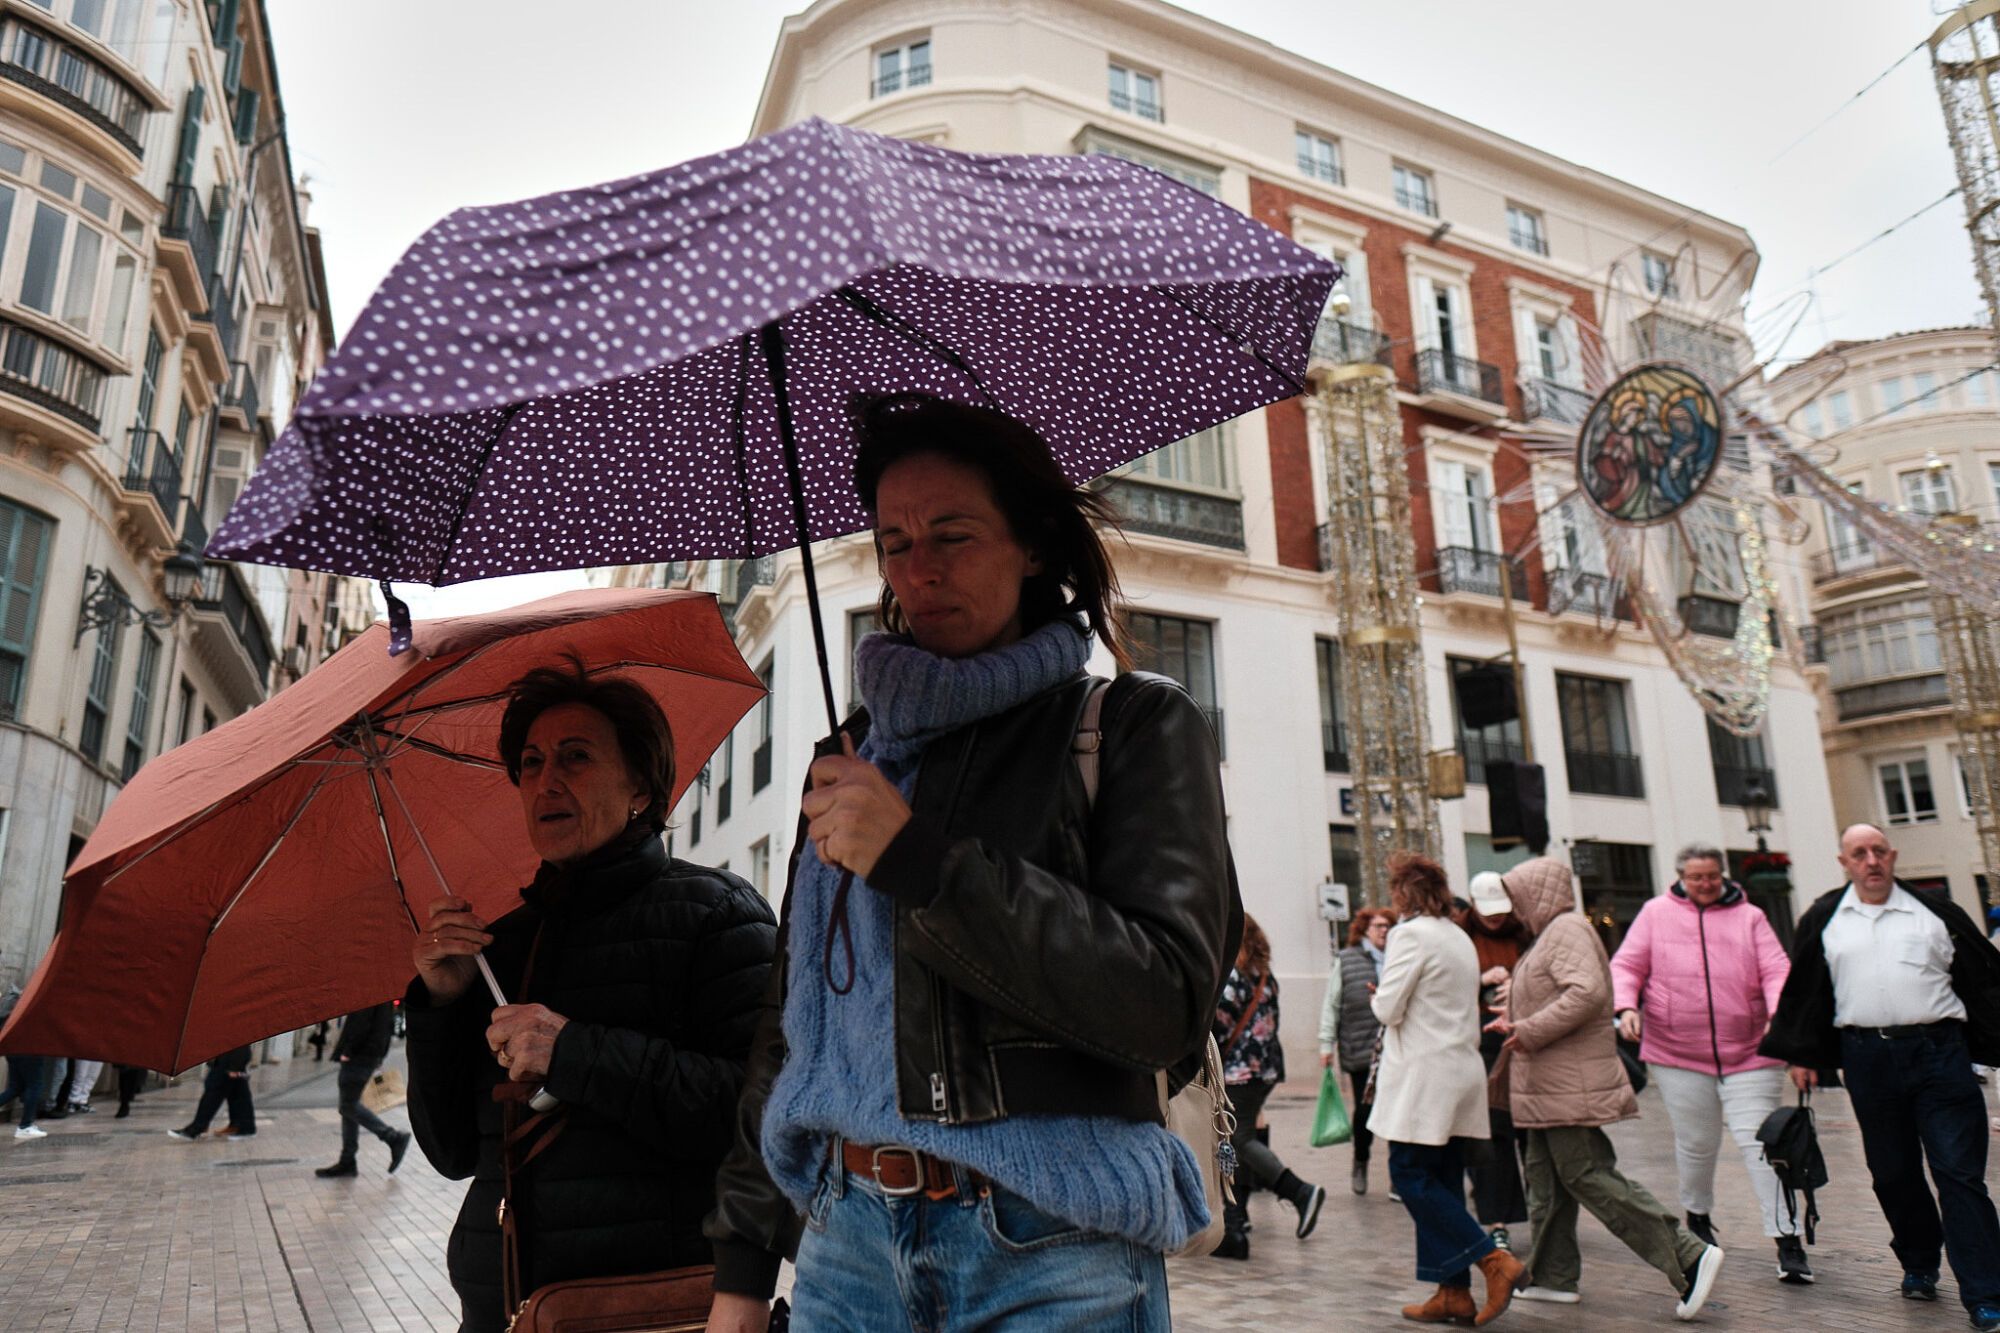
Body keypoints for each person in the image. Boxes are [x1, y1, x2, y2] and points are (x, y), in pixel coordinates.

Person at [703, 395, 1240, 1333]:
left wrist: (921, 861)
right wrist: (745, 1267)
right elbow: (792, 1031)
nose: (919, 570)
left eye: (952, 534)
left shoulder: (1132, 727)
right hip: (844, 1246)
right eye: (894, 540)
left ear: (1031, 543)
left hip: (1049, 1252)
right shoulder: (853, 754)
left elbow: (1165, 1002)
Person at [405, 658, 777, 1333]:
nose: (546, 780)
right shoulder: (501, 947)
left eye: (575, 757)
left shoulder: (719, 914)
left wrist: (574, 1050)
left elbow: (758, 1114)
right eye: (531, 762)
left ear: (639, 784)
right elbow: (451, 1150)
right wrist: (439, 1004)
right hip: (502, 1309)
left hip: (647, 1311)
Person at [1761, 823, 2000, 1330]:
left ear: (1892, 857)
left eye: (1878, 851)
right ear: (1844, 862)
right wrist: (1802, 1054)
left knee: (1959, 1174)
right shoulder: (1826, 918)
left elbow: (1981, 976)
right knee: (1893, 1172)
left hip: (1940, 1053)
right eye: (1859, 853)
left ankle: (1985, 1291)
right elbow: (1805, 989)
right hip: (1867, 1058)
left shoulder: (1934, 912)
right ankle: (1919, 1262)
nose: (1871, 860)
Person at [1492, 857, 1723, 1320]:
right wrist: (1517, 1018)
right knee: (1546, 1180)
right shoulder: (1550, 935)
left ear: (1535, 894)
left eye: (1517, 897)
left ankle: (1688, 1255)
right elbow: (1564, 992)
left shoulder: (1566, 930)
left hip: (1564, 1082)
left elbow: (1587, 993)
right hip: (1546, 1084)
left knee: (1586, 1173)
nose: (1514, 909)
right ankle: (1552, 1277)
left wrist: (1531, 1029)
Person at [1610, 841, 1804, 1283]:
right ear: (1680, 877)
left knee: (1762, 1146)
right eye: (1696, 878)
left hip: (1751, 1051)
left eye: (1712, 877)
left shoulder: (1750, 917)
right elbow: (1626, 965)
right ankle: (1697, 1217)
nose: (1705, 885)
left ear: (1724, 875)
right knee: (1697, 1142)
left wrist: (1780, 1012)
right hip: (1678, 1053)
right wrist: (1626, 1006)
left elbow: (1776, 968)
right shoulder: (1656, 914)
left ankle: (1787, 1239)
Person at [1371, 851, 1523, 1326]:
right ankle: (1452, 1292)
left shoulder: (1408, 934)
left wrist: (1378, 996)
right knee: (1445, 1179)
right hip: (1460, 1071)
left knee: (1409, 1173)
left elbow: (1388, 1009)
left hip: (1424, 1074)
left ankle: (1491, 1260)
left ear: (1402, 893)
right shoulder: (1457, 935)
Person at [1212, 914, 1325, 1260]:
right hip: (1264, 1071)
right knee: (1235, 1139)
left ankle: (1299, 1191)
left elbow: (1217, 1029)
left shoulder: (1232, 977)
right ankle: (1235, 1219)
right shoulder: (1264, 976)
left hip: (1238, 1073)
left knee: (1236, 1140)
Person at [1458, 871, 1532, 1252]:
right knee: (1491, 1133)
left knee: (1530, 1131)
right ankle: (1496, 1219)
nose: (1495, 918)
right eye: (1488, 911)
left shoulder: (1525, 934)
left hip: (1524, 1040)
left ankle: (1539, 1209)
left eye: (1500, 911)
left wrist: (1518, 985)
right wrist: (1479, 979)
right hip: (1482, 1044)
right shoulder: (1460, 936)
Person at [1322, 907, 1394, 1196]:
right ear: (1364, 929)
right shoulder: (1347, 960)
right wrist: (1325, 1043)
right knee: (1365, 1111)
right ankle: (1361, 1160)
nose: (1384, 931)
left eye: (1388, 926)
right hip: (1361, 1046)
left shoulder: (1399, 957)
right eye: (1378, 926)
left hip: (1394, 1048)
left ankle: (1397, 1176)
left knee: (1395, 1112)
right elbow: (1331, 1003)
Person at [315, 1002, 412, 1178]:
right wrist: (379, 1054)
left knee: (348, 1106)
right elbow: (386, 1026)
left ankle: (393, 1137)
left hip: (359, 1056)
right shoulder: (383, 994)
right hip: (369, 1055)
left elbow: (361, 1023)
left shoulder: (368, 991)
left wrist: (348, 1050)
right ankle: (347, 1161)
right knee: (349, 1108)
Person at [167, 1045, 256, 1140]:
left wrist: (236, 1066)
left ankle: (197, 1128)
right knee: (238, 1094)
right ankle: (241, 1126)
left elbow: (241, 1043)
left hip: (228, 1062)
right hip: (224, 1060)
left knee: (213, 1093)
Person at [0, 1052, 48, 1140]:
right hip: (30, 1051)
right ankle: (25, 1126)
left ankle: (25, 1126)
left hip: (13, 1051)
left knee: (15, 1087)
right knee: (34, 1086)